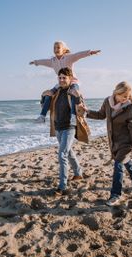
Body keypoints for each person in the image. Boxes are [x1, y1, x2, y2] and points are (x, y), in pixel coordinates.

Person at [84, 81, 132, 206]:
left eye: (127, 96)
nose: (125, 98)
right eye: (123, 96)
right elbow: (101, 115)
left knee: (118, 165)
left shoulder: (130, 107)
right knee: (126, 162)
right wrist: (86, 112)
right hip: (113, 141)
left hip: (127, 142)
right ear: (117, 93)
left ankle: (115, 195)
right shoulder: (107, 102)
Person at [29, 41, 101, 124]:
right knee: (48, 94)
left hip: (72, 82)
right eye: (54, 48)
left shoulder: (68, 58)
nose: (56, 49)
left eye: (58, 47)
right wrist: (36, 62)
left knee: (74, 93)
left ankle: (73, 116)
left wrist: (89, 52)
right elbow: (44, 62)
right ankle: (42, 116)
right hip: (61, 83)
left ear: (63, 49)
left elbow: (78, 55)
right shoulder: (53, 61)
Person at [49, 67, 83, 196]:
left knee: (62, 154)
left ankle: (63, 186)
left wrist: (78, 98)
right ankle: (78, 173)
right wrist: (44, 96)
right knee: (69, 152)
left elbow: (80, 108)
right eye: (60, 78)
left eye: (64, 78)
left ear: (70, 79)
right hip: (58, 127)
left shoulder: (73, 90)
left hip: (70, 127)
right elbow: (48, 105)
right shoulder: (57, 91)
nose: (62, 80)